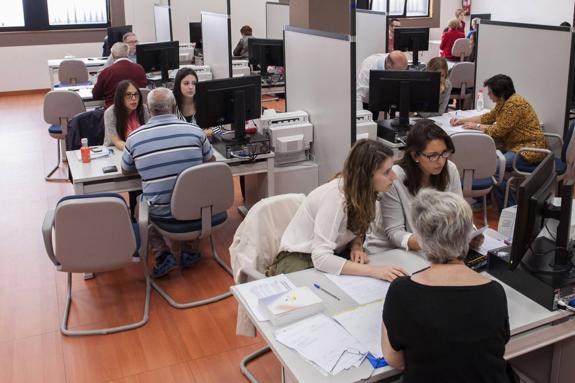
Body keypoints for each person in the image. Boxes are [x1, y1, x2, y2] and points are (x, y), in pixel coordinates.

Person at [381, 189, 510, 382]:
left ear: (422, 239)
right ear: (467, 235)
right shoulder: (494, 291)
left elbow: (394, 359)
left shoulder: (402, 292)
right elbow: (498, 346)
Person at [267, 139, 408, 281]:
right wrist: (373, 271)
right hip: (299, 258)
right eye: (386, 172)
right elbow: (321, 257)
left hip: (333, 252)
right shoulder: (335, 197)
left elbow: (357, 227)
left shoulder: (367, 192)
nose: (394, 176)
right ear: (367, 176)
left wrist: (357, 245)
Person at [121, 87, 214, 278]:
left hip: (161, 212)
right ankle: (190, 250)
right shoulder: (195, 131)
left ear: (148, 108)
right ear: (173, 108)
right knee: (194, 194)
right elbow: (210, 163)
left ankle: (163, 255)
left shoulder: (135, 137)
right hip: (196, 209)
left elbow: (125, 170)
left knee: (142, 204)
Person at [364, 120, 463, 253]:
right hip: (390, 250)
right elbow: (395, 232)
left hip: (431, 249)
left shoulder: (450, 170)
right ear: (415, 155)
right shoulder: (394, 178)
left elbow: (460, 215)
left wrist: (470, 232)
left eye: (444, 153)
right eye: (432, 156)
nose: (441, 161)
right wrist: (430, 242)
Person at [449, 74, 546, 168]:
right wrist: (461, 121)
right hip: (515, 145)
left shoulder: (514, 105)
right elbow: (488, 117)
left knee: (489, 166)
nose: (488, 94)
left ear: (501, 93)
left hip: (528, 151)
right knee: (482, 156)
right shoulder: (504, 101)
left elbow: (499, 131)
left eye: (490, 92)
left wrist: (476, 126)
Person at [92, 42, 147, 108]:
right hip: (136, 110)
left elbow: (96, 95)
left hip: (113, 112)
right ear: (128, 53)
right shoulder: (139, 69)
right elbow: (142, 89)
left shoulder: (106, 72)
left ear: (112, 55)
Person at [103, 80, 149, 150]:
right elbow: (117, 142)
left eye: (136, 94)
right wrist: (138, 150)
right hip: (114, 151)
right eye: (128, 94)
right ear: (120, 97)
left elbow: (148, 134)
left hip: (138, 149)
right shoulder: (111, 113)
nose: (133, 98)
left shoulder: (143, 109)